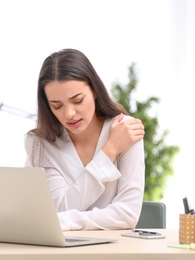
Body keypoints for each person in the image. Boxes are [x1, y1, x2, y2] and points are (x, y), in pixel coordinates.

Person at [25, 49, 145, 231]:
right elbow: (59, 209)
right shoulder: (40, 143)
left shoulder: (125, 130)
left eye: (77, 100)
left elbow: (127, 214)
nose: (69, 114)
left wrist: (63, 220)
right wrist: (109, 150)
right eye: (56, 105)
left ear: (95, 91)